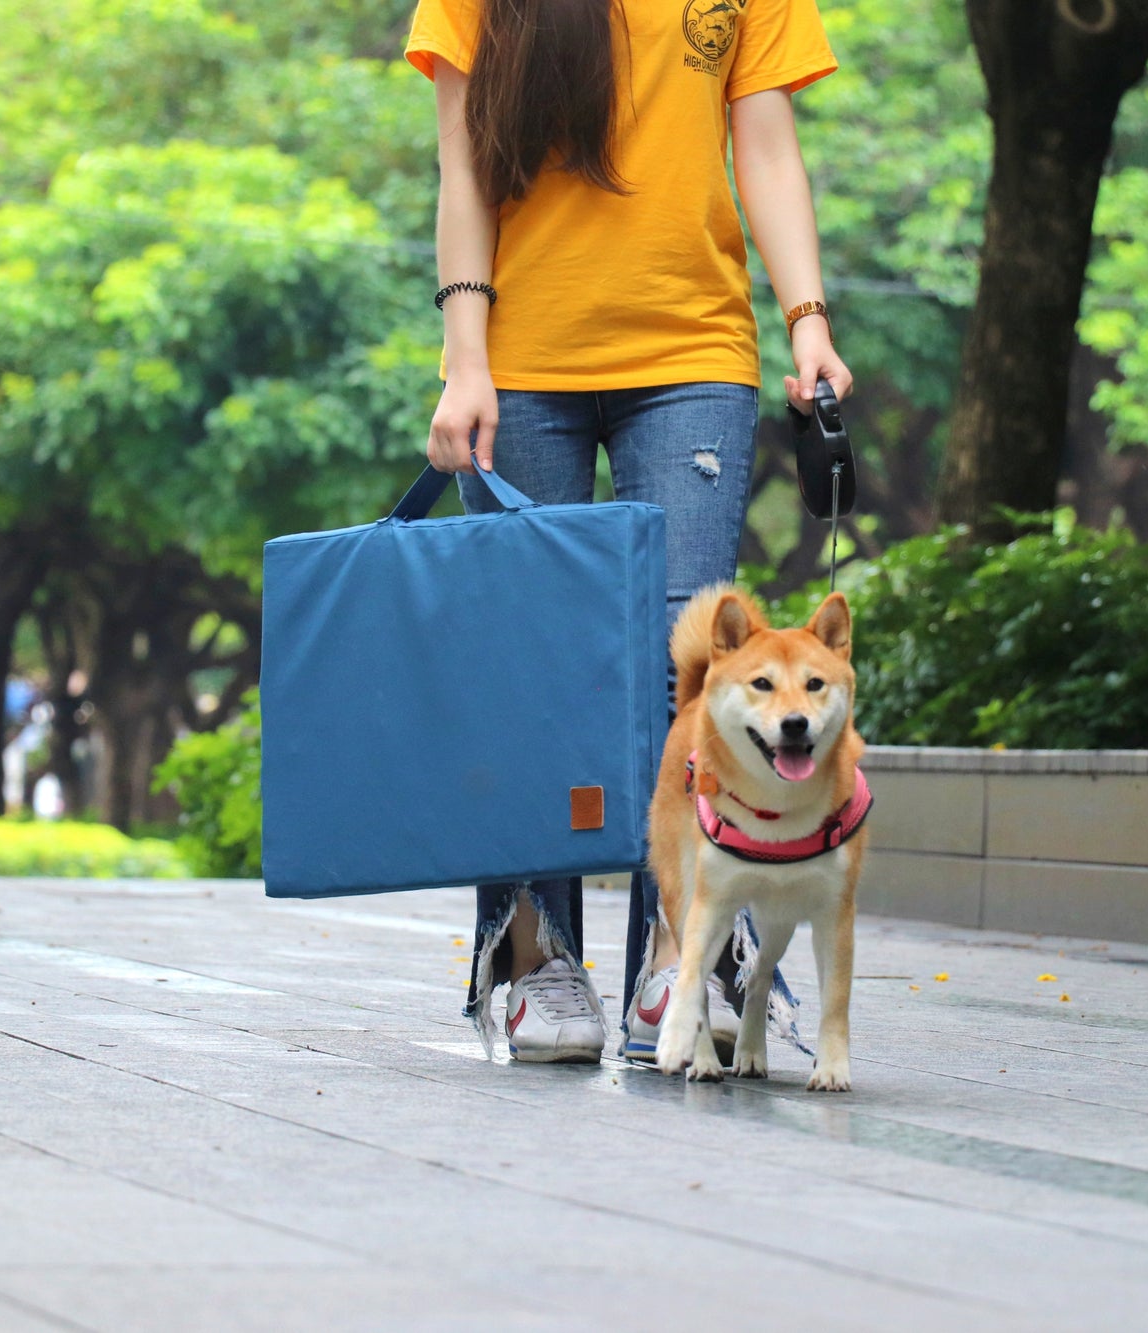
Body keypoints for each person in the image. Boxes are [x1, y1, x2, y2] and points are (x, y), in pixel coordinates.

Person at [404, 0, 853, 1063]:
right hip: (522, 364)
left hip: (692, 355)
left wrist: (809, 321)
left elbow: (766, 140)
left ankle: (679, 958)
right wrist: (465, 362)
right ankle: (531, 959)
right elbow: (463, 168)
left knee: (691, 672)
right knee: (534, 669)